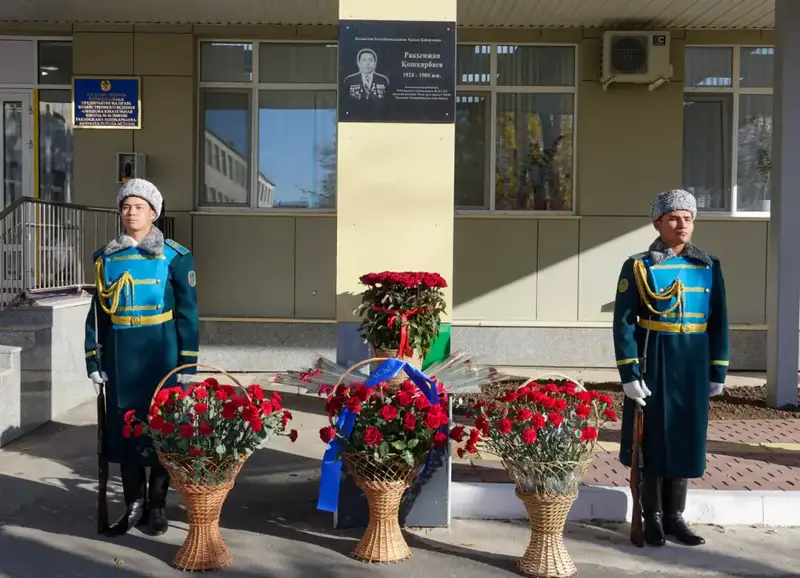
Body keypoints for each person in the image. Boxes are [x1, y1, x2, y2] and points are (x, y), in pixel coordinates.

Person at [613, 189, 729, 548]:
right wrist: (630, 374)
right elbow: (624, 322)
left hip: (693, 361)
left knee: (686, 438)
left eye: (688, 218)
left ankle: (676, 516)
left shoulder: (709, 265)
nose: (682, 225)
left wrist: (716, 370)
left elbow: (719, 321)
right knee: (653, 439)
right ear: (658, 223)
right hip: (656, 358)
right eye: (674, 218)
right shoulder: (639, 266)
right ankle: (653, 517)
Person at [84, 178, 199, 537]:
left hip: (161, 352)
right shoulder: (106, 258)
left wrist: (187, 363)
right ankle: (133, 504)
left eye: (139, 207)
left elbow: (188, 313)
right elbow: (98, 316)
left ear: (154, 213)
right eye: (125, 206)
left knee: (162, 429)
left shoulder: (176, 257)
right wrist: (94, 360)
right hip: (121, 356)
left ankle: (157, 507)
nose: (131, 212)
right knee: (125, 430)